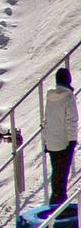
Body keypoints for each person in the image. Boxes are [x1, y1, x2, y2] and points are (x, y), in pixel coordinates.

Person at [43, 67, 78, 206]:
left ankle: (57, 201)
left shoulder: (50, 98)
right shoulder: (69, 97)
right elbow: (72, 121)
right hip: (64, 143)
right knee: (62, 176)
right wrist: (72, 140)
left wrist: (46, 140)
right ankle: (57, 205)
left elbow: (47, 120)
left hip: (52, 143)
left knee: (56, 174)